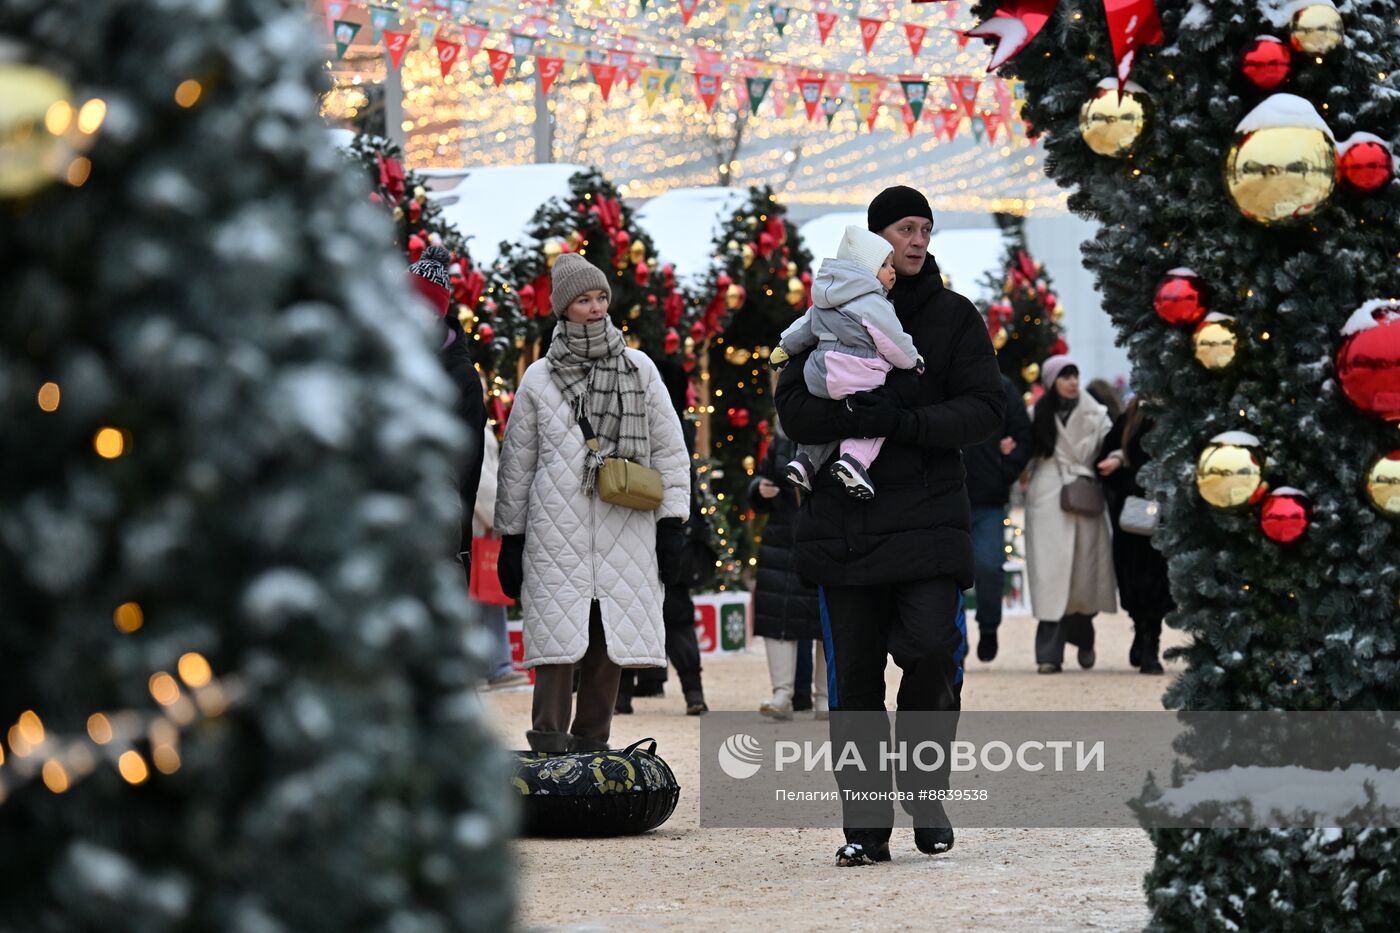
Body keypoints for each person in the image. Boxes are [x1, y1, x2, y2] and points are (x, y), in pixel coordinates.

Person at [775, 185, 1005, 866]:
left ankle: (926, 791)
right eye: (905, 228)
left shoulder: (954, 318)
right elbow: (791, 405)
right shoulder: (828, 306)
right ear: (876, 237)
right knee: (854, 684)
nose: (917, 240)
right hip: (843, 528)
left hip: (929, 523)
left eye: (926, 229)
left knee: (932, 652)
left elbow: (985, 409)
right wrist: (853, 419)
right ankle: (866, 827)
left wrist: (904, 422)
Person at [494, 253, 690, 754]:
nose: (597, 307)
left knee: (609, 642)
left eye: (601, 297)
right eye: (584, 299)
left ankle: (593, 750)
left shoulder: (639, 368)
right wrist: (511, 538)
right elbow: (518, 462)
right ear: (563, 309)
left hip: (626, 524)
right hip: (555, 531)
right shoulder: (539, 378)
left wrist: (673, 525)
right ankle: (548, 748)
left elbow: (670, 449)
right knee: (557, 646)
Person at [770, 225, 923, 499]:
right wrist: (913, 361)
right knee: (875, 415)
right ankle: (855, 461)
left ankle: (805, 461)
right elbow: (892, 339)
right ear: (865, 270)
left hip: (819, 375)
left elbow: (803, 328)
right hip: (858, 374)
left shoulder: (824, 299)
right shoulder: (873, 302)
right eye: (884, 265)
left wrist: (783, 348)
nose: (892, 271)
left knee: (831, 415)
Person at [616, 360, 709, 716]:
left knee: (629, 611)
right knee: (676, 613)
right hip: (675, 519)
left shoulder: (639, 416)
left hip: (637, 514)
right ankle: (693, 693)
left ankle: (623, 695)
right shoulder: (680, 424)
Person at [1023, 355, 1117, 674]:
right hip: (1048, 497)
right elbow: (1024, 452)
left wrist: (1116, 458)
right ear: (1052, 382)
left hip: (1085, 494)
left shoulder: (1098, 414)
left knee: (1082, 575)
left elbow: (1115, 445)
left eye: (1075, 375)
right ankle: (1048, 655)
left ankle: (1084, 636)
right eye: (1065, 376)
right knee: (1050, 575)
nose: (1073, 382)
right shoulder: (1037, 414)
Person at [749, 417, 828, 721]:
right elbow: (761, 480)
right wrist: (759, 489)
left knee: (825, 621)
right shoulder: (781, 441)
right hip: (782, 539)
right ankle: (782, 693)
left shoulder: (834, 434)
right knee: (777, 616)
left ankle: (824, 697)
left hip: (822, 536)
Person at [1096, 397, 1172, 674]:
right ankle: (1140, 631)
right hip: (1132, 517)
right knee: (1132, 583)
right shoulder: (1130, 417)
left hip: (1167, 514)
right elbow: (1101, 462)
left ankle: (1151, 642)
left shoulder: (1175, 414)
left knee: (1159, 583)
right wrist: (1127, 479)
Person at [963, 374, 1034, 662]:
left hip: (988, 499)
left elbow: (1023, 437)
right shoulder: (937, 376)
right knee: (943, 575)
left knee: (990, 568)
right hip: (944, 496)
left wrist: (1002, 471)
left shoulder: (1001, 386)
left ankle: (989, 626)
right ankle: (953, 641)